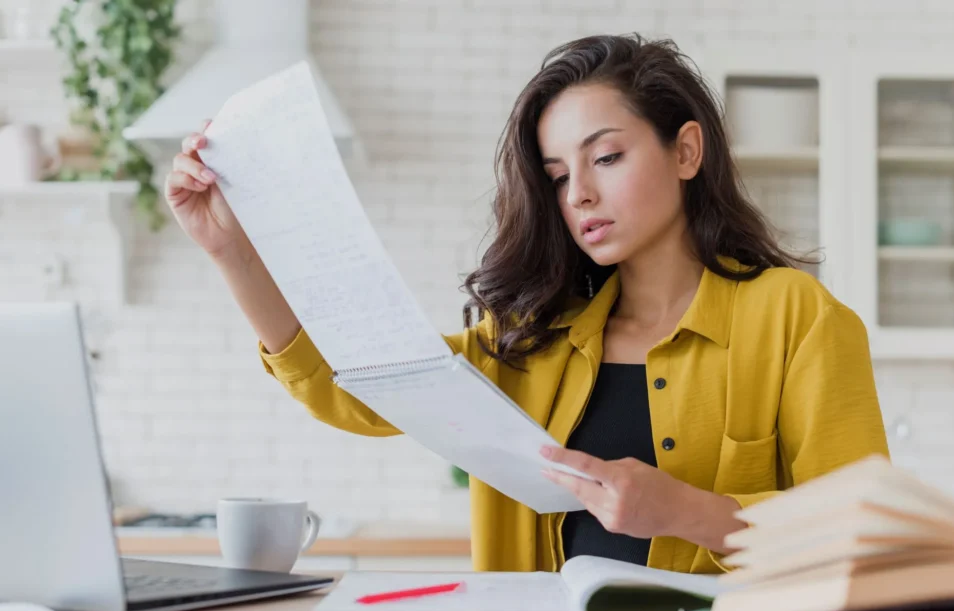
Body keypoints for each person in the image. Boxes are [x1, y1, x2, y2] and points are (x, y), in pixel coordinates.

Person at [164, 34, 889, 575]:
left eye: (606, 157)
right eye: (555, 174)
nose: (578, 193)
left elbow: (866, 539)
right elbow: (344, 387)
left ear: (686, 151)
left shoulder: (797, 319)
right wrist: (235, 255)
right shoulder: (526, 336)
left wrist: (684, 512)